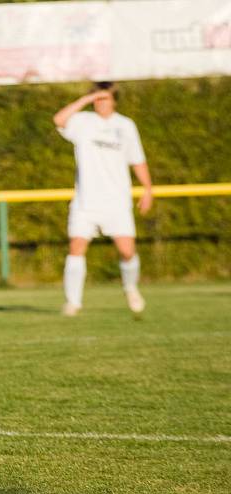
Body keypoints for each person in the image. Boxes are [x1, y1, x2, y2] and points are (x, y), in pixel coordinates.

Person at [53, 81, 153, 317]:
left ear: (114, 100)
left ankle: (130, 288)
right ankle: (73, 302)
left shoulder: (125, 126)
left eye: (105, 98)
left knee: (127, 251)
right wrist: (85, 100)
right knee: (76, 246)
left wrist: (147, 188)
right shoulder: (83, 122)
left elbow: (137, 159)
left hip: (117, 201)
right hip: (85, 201)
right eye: (97, 98)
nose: (101, 102)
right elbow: (59, 120)